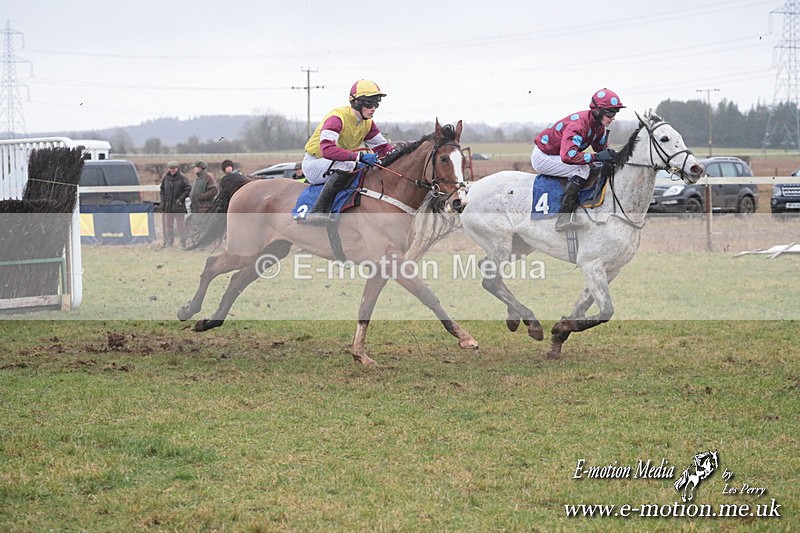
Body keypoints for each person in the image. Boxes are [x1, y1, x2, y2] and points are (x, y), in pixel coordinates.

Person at [301, 79, 395, 224]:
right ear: (356, 102)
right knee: (349, 164)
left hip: (336, 164)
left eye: (376, 104)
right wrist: (360, 156)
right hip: (315, 163)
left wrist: (403, 154)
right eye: (369, 104)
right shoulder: (336, 118)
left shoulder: (368, 123)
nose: (373, 108)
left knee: (364, 167)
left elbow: (383, 148)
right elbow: (328, 150)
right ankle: (317, 210)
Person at [531, 88, 624, 231]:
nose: (613, 117)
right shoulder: (578, 125)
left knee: (593, 165)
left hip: (557, 155)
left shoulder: (599, 127)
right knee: (582, 169)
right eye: (610, 113)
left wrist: (615, 156)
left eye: (615, 113)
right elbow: (569, 156)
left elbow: (602, 151)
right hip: (543, 156)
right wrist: (595, 157)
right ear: (597, 111)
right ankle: (563, 218)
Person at [159, 160, 191, 247]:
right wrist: (163, 202)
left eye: (174, 168)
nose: (172, 170)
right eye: (170, 168)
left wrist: (180, 199)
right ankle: (170, 242)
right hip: (168, 206)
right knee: (169, 225)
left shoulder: (182, 178)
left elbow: (188, 189)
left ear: (177, 168)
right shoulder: (166, 178)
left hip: (178, 206)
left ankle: (183, 243)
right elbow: (162, 190)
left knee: (180, 225)